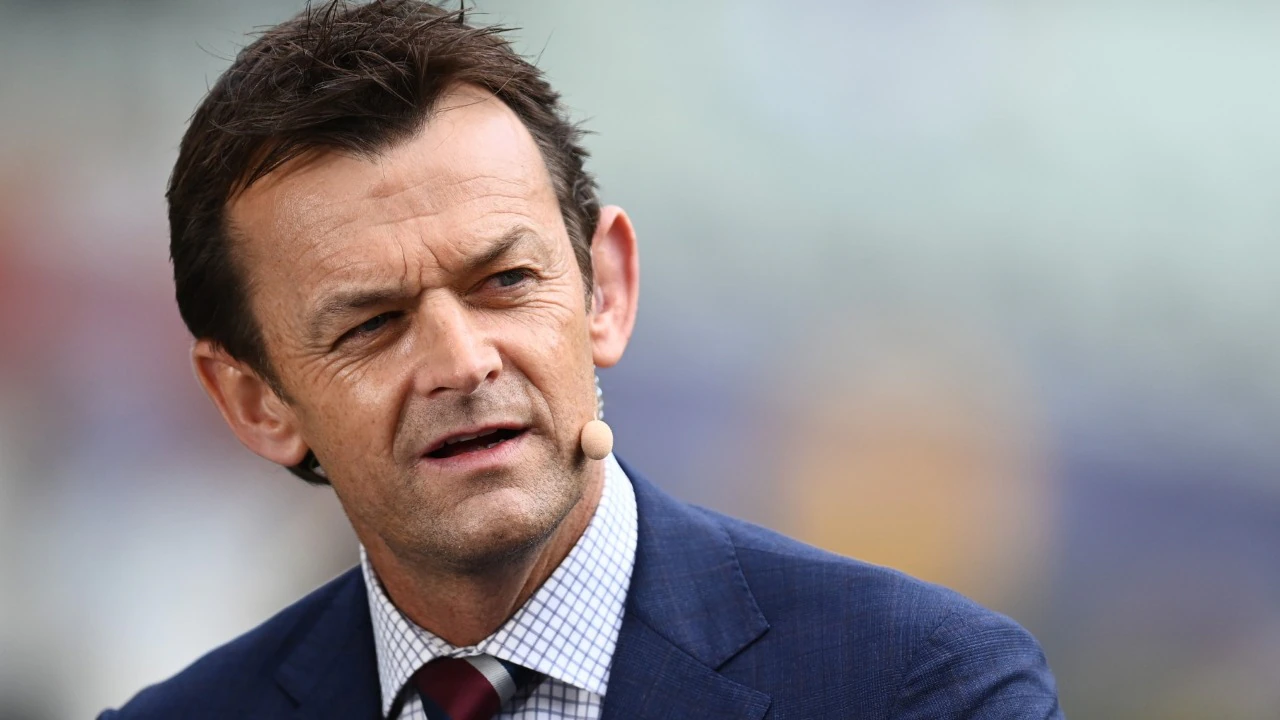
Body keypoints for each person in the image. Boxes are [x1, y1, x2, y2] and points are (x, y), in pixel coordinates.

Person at [101, 2, 1063, 718]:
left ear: (605, 289)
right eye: (373, 325)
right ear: (256, 401)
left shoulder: (922, 688)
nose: (463, 361)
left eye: (505, 281)